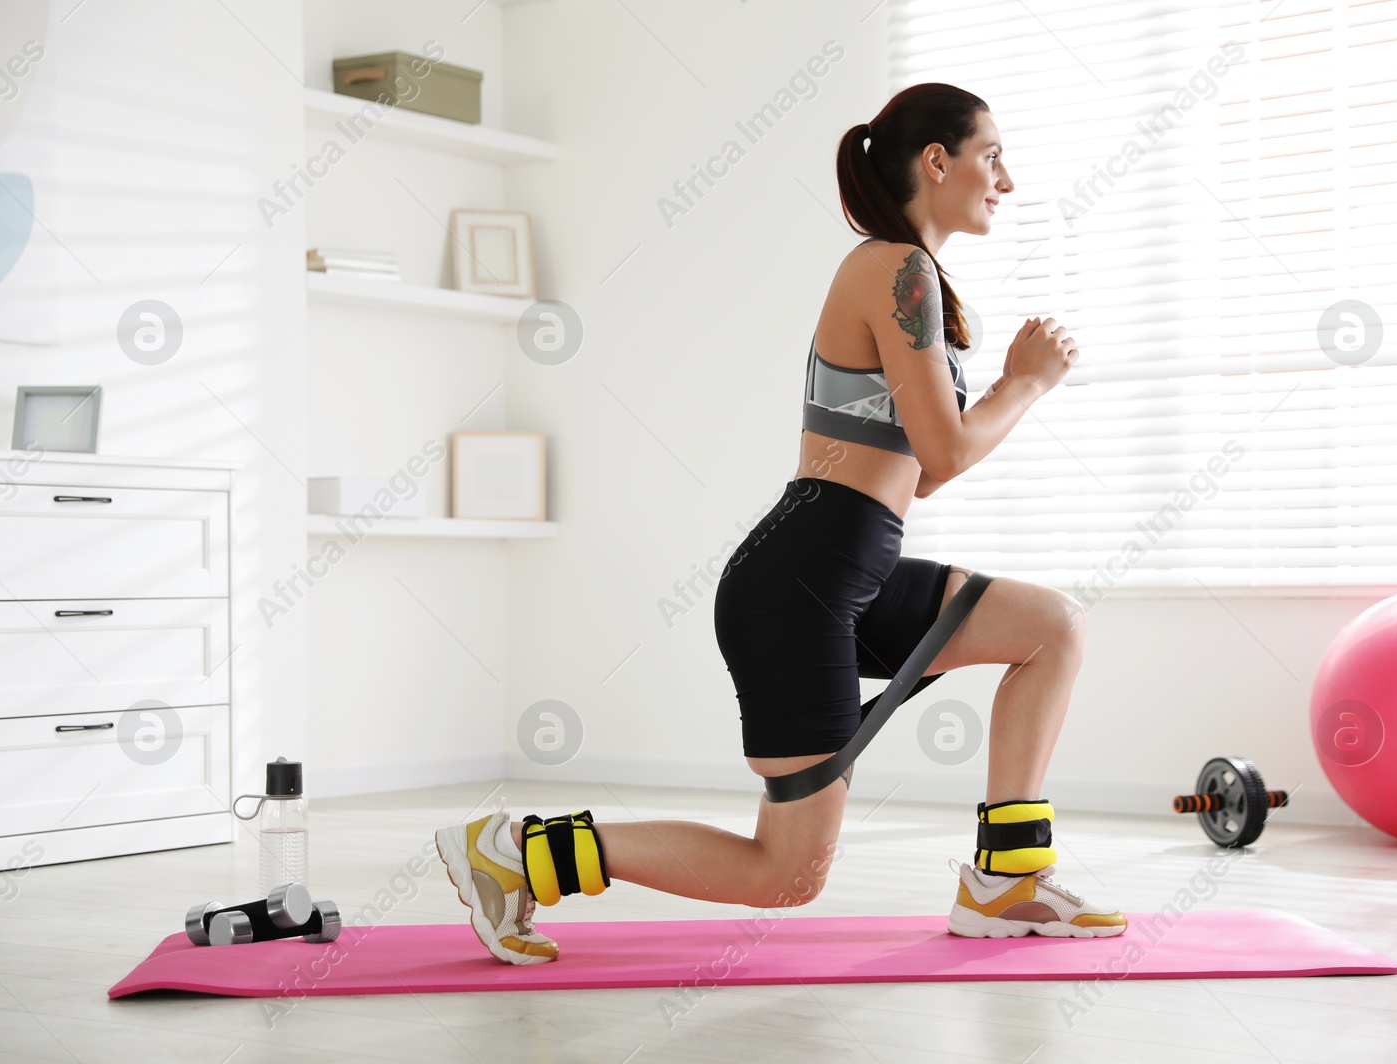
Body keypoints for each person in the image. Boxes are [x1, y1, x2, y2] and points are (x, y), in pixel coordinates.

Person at [433, 81, 1126, 965]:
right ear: (936, 161)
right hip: (799, 585)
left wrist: (1002, 388)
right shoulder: (893, 267)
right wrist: (1023, 384)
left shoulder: (911, 275)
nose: (1008, 180)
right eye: (993, 156)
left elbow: (922, 469)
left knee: (1051, 627)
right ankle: (518, 854)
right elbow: (948, 454)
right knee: (787, 873)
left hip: (851, 571)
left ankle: (1007, 884)